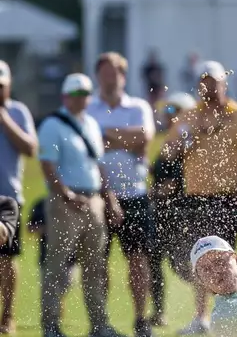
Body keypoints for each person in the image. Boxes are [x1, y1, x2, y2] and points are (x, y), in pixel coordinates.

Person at [161, 60, 237, 335]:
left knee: (226, 259)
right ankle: (202, 317)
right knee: (202, 260)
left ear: (223, 84)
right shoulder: (189, 117)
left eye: (213, 82)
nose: (208, 87)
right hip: (197, 198)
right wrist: (185, 142)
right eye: (204, 82)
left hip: (228, 199)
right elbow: (169, 152)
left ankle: (236, 310)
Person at [38, 73, 125, 337]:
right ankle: (51, 326)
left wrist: (109, 199)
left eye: (86, 94)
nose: (82, 99)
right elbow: (47, 164)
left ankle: (99, 324)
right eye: (77, 94)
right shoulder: (53, 124)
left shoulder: (90, 125)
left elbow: (97, 166)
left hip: (93, 200)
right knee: (58, 265)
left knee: (95, 266)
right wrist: (65, 193)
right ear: (66, 96)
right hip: (66, 201)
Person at [87, 52, 157, 337]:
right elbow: (91, 146)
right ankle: (100, 321)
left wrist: (106, 136)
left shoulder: (138, 106)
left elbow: (144, 137)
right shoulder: (89, 108)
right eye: (104, 72)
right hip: (98, 194)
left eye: (114, 72)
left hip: (134, 193)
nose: (109, 77)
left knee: (138, 260)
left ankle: (141, 318)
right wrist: (125, 139)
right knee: (98, 262)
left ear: (123, 76)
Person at [148, 92, 196, 327]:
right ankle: (158, 312)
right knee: (154, 262)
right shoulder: (169, 142)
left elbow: (175, 182)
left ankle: (216, 298)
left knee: (183, 266)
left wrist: (152, 192)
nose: (167, 116)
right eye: (166, 111)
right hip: (161, 214)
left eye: (172, 111)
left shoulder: (188, 142)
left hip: (180, 214)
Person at [0, 60, 38, 334]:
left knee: (6, 258)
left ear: (9, 85)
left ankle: (7, 315)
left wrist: (2, 117)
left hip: (7, 197)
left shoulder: (17, 111)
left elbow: (29, 148)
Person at [26, 198, 79, 316]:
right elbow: (30, 227)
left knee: (66, 283)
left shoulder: (73, 201)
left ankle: (58, 303)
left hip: (70, 255)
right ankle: (51, 315)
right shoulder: (41, 204)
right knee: (49, 284)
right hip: (47, 254)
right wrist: (48, 229)